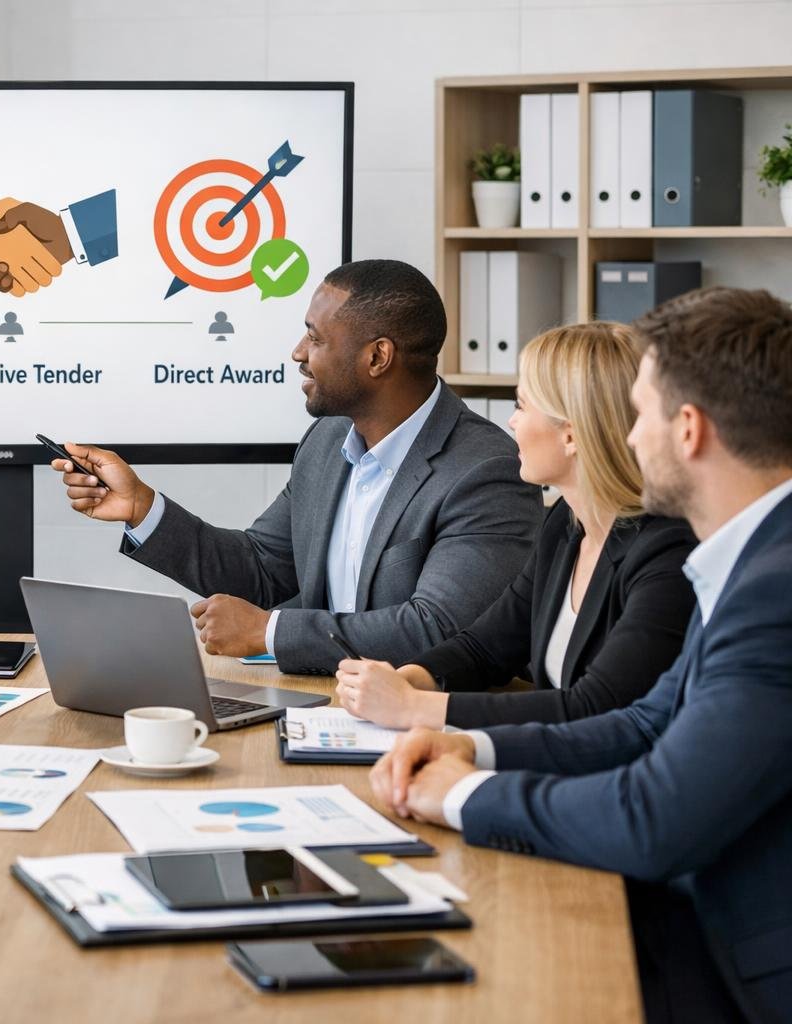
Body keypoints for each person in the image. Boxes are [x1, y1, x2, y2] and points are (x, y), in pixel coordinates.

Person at [370, 287, 792, 1023]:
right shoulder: (748, 561)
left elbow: (654, 819)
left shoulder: (774, 589)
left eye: (643, 415)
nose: (628, 438)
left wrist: (461, 795)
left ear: (688, 429)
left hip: (736, 966)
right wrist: (468, 744)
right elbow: (642, 724)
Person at [51, 259, 543, 671]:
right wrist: (141, 507)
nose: (298, 353)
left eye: (316, 338)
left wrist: (270, 631)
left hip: (424, 732)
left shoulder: (485, 471)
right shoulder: (328, 442)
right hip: (325, 706)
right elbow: (262, 571)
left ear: (378, 357)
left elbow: (437, 630)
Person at [333, 321, 696, 729]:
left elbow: (596, 708)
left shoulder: (667, 550)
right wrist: (408, 681)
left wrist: (413, 707)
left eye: (522, 406)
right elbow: (485, 648)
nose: (511, 422)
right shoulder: (566, 522)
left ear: (572, 436)